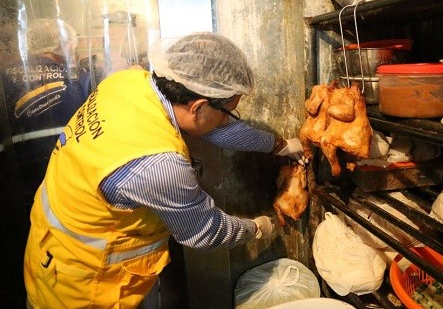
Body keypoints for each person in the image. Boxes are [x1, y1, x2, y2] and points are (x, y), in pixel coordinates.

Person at [23, 31, 306, 308]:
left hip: (51, 248)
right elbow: (205, 231)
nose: (226, 121)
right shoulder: (159, 165)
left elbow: (212, 129)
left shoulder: (128, 83)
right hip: (86, 288)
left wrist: (277, 145)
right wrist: (256, 228)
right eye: (228, 113)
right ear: (198, 107)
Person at [0, 18, 94, 196]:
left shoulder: (4, 77)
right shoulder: (79, 80)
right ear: (64, 46)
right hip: (66, 181)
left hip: (17, 182)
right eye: (72, 48)